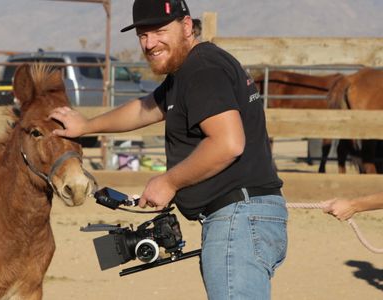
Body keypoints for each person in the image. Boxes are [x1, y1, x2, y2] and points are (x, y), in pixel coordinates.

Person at [50, 0, 287, 298]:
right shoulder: (187, 72)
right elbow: (146, 108)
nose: (150, 43)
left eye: (159, 31)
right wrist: (86, 126)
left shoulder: (202, 69)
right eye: (142, 35)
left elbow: (228, 143)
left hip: (238, 218)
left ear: (187, 26)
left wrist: (168, 181)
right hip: (244, 217)